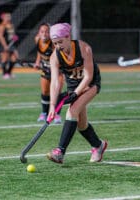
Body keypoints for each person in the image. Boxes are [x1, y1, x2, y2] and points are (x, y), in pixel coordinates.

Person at [46, 23, 107, 164]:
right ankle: (98, 145)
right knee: (81, 124)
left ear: (68, 37)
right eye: (55, 43)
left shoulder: (84, 48)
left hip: (90, 84)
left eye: (60, 42)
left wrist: (76, 93)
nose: (58, 46)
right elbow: (55, 82)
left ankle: (60, 151)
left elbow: (88, 76)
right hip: (73, 87)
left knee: (72, 112)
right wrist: (52, 105)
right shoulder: (55, 57)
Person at [34, 23, 64, 124]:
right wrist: (38, 62)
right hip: (45, 69)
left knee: (57, 93)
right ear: (39, 32)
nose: (44, 34)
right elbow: (39, 52)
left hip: (58, 71)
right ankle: (44, 113)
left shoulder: (54, 43)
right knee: (45, 92)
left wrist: (52, 66)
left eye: (47, 32)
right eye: (42, 31)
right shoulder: (37, 39)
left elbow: (58, 57)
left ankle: (57, 115)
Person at [0, 12, 19, 79]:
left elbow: (12, 35)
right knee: (5, 58)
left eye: (9, 16)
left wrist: (14, 37)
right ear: (3, 18)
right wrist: (5, 45)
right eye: (7, 17)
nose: (9, 18)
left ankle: (9, 73)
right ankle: (4, 74)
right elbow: (0, 36)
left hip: (11, 44)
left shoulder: (11, 25)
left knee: (15, 58)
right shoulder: (2, 26)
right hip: (4, 44)